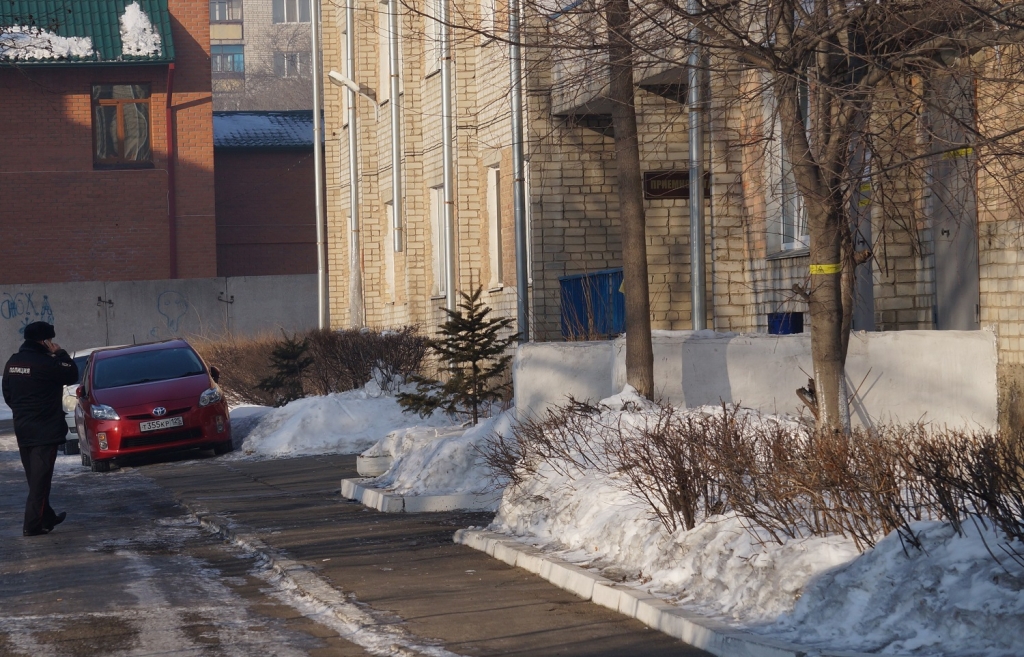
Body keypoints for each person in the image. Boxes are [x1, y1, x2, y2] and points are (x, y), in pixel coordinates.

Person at [2, 321, 78, 536]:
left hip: (24, 429)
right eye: (50, 340)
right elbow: (72, 374)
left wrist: (23, 412)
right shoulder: (47, 363)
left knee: (35, 478)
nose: (52, 343)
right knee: (40, 481)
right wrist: (61, 353)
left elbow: (8, 395)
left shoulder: (12, 362)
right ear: (44, 341)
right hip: (45, 430)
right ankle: (32, 525)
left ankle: (47, 516)